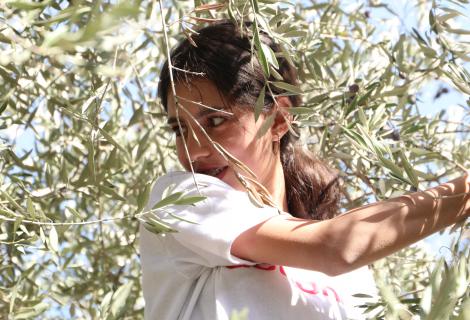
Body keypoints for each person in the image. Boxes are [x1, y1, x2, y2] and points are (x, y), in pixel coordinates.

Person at [139, 21, 470, 319]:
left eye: (215, 121)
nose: (193, 150)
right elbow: (335, 247)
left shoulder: (354, 279)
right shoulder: (180, 200)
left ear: (278, 119)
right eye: (179, 129)